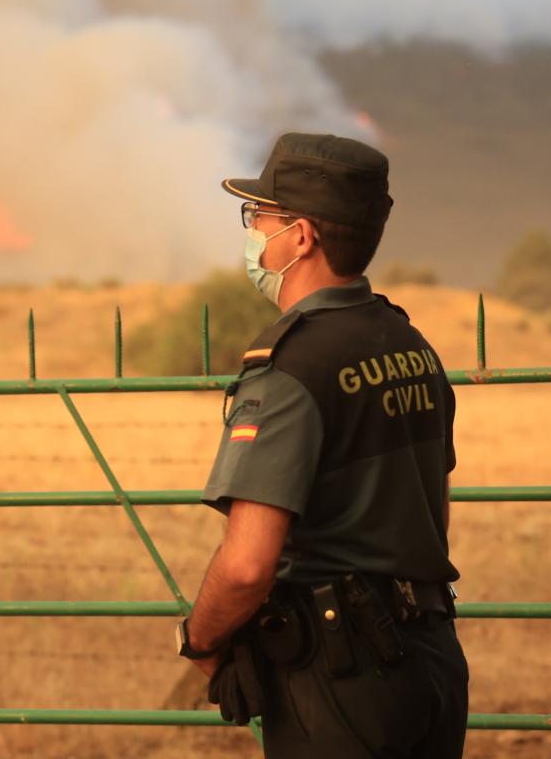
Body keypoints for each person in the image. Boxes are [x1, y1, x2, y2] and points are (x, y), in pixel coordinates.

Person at [177, 133, 468, 757]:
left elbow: (249, 563)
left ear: (302, 237)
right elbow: (432, 509)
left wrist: (200, 641)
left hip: (344, 677)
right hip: (433, 659)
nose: (253, 231)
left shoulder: (290, 367)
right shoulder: (411, 345)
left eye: (260, 217)